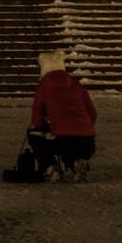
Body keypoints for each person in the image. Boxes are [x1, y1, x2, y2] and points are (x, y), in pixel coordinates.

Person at [27, 49, 97, 183]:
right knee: (71, 143)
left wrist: (47, 126)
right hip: (87, 141)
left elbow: (37, 119)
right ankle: (77, 163)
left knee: (35, 136)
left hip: (62, 139)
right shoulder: (77, 85)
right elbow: (92, 112)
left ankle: (50, 167)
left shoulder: (44, 88)